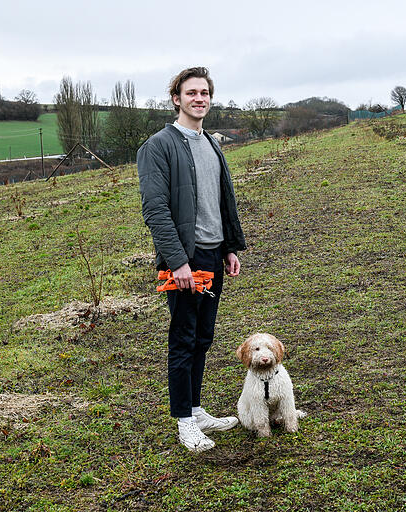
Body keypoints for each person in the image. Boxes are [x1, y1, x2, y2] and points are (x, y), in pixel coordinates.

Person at [136, 67, 246, 452]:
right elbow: (156, 210)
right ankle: (184, 421)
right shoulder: (159, 146)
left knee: (203, 337)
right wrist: (177, 261)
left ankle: (197, 410)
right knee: (183, 338)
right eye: (191, 93)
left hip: (214, 254)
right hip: (186, 257)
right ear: (176, 99)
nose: (199, 98)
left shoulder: (212, 144)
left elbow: (221, 201)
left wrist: (229, 247)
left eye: (205, 93)